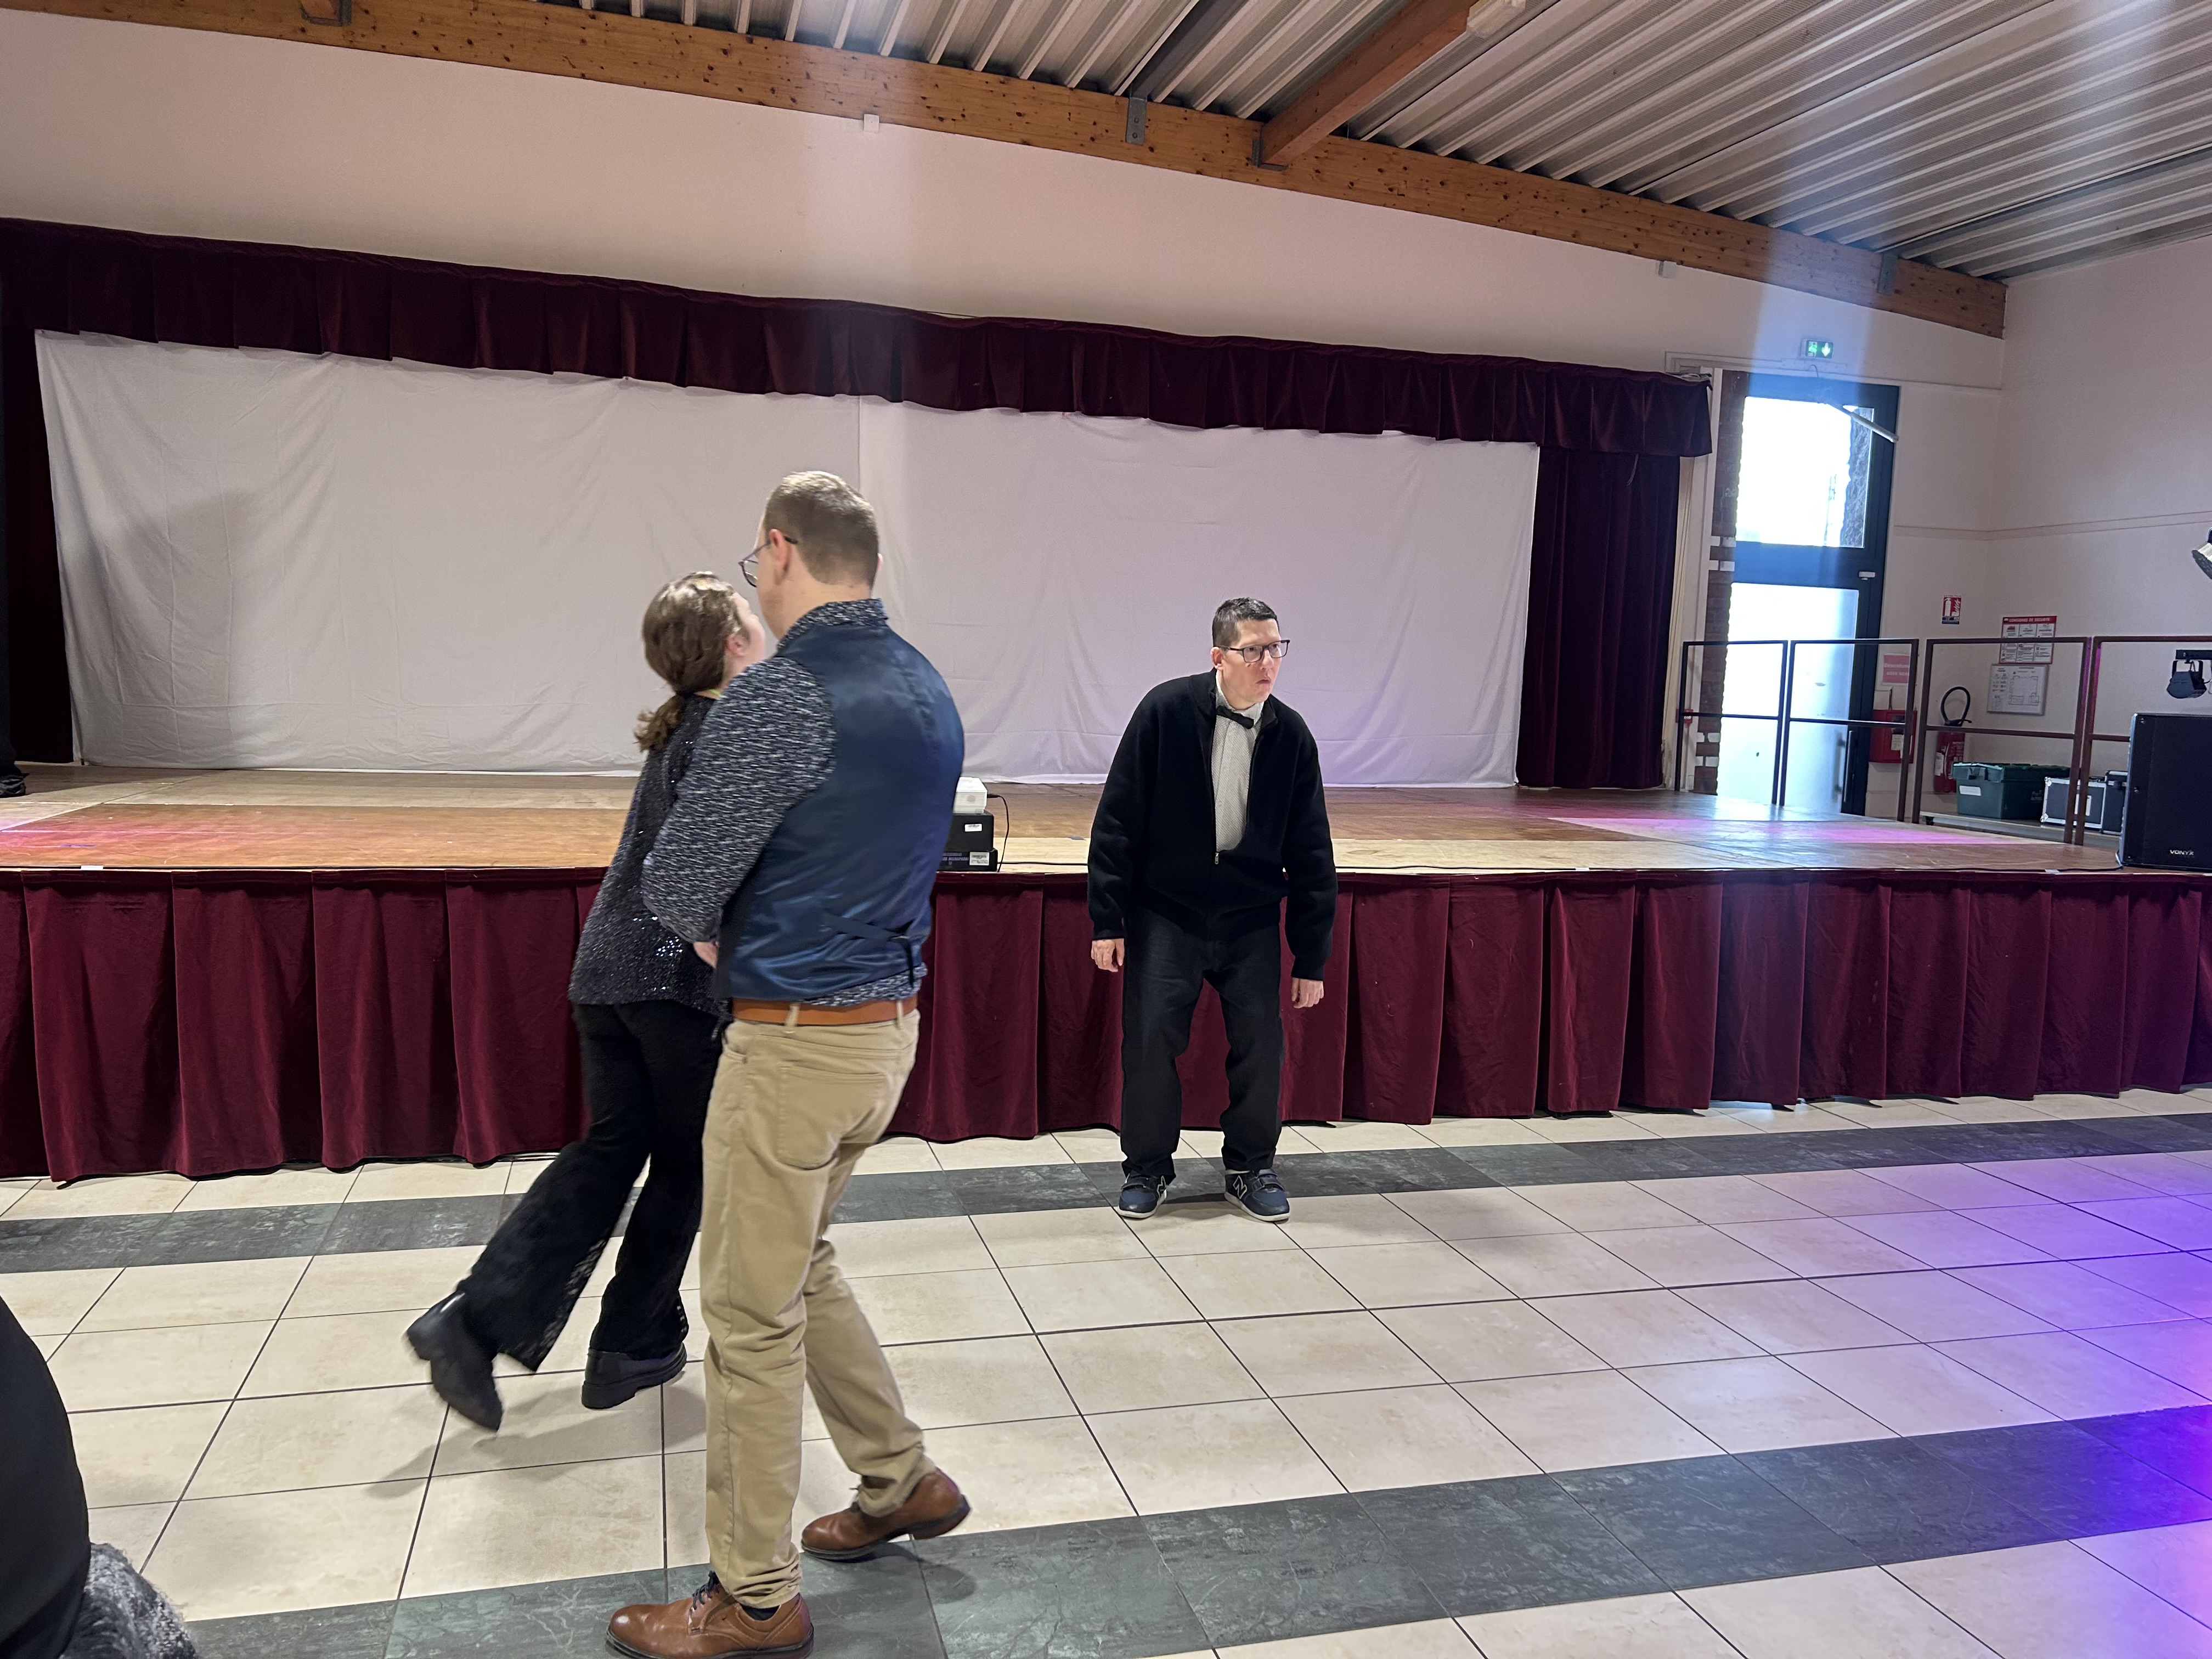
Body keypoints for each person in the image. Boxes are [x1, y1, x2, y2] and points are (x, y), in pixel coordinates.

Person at [607, 473, 966, 1659]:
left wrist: (729, 932)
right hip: (885, 1034)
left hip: (793, 1042)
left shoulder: (781, 695)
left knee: (747, 1316)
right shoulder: (926, 685)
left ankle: (754, 1597)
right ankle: (899, 1476)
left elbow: (676, 883)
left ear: (778, 551)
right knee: (799, 1264)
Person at [408, 573, 764, 1430]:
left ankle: (475, 1319)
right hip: (672, 982)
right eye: (749, 615)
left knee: (612, 1150)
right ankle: (629, 1342)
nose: (763, 620)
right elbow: (701, 872)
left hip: (606, 972)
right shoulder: (727, 733)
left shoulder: (680, 725)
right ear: (733, 644)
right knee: (686, 1164)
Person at [1088, 597, 1338, 1223]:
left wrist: (1312, 957)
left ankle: (1250, 1167)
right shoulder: (1164, 711)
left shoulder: (1292, 735)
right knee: (1151, 1040)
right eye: (1253, 651)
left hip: (1250, 917)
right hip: (1166, 912)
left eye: (1276, 648)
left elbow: (1313, 851)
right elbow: (1117, 819)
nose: (1268, 663)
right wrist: (1107, 919)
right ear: (1219, 657)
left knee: (1261, 1046)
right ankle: (1147, 1167)